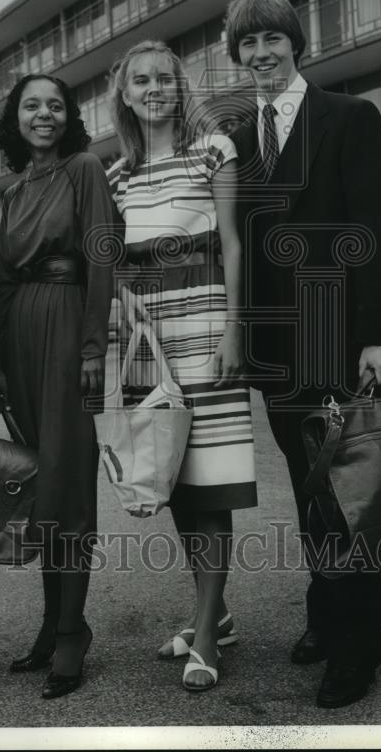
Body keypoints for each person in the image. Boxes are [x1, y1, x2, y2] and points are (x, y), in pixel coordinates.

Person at [225, 0, 381, 709]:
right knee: (307, 493)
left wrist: (380, 334)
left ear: (295, 44)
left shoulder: (350, 118)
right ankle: (327, 615)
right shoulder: (236, 140)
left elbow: (375, 223)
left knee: (342, 495)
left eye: (272, 40)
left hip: (338, 339)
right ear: (236, 57)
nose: (261, 53)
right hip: (276, 348)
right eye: (247, 44)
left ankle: (359, 643)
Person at [108, 40, 257, 693]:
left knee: (212, 483)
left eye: (163, 78)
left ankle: (204, 636)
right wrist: (123, 299)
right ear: (125, 94)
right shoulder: (116, 176)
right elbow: (114, 264)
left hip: (204, 330)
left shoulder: (213, 150)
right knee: (172, 476)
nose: (152, 89)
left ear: (179, 86)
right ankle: (214, 613)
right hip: (153, 344)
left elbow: (231, 242)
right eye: (140, 80)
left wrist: (234, 328)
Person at [0, 73, 113, 700]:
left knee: (69, 483)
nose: (45, 114)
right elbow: (2, 282)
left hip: (67, 329)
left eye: (56, 105)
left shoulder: (84, 169)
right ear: (17, 117)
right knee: (41, 487)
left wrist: (93, 347)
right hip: (22, 338)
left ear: (69, 117)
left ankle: (72, 630)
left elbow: (101, 259)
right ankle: (50, 622)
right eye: (32, 105)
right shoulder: (11, 192)